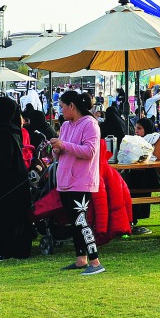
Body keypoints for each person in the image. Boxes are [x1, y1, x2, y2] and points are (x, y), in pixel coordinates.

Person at [49, 89, 105, 275]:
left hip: (81, 181)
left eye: (62, 106)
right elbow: (62, 151)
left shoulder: (90, 124)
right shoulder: (65, 126)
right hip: (65, 180)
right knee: (74, 222)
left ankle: (95, 261)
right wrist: (56, 149)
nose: (61, 110)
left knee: (81, 222)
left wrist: (63, 145)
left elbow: (89, 151)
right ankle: (81, 258)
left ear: (72, 106)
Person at [0, 95, 32, 260]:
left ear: (2, 111)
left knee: (3, 214)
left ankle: (3, 248)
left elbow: (5, 159)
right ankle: (10, 247)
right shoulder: (12, 128)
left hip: (7, 182)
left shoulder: (4, 130)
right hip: (14, 179)